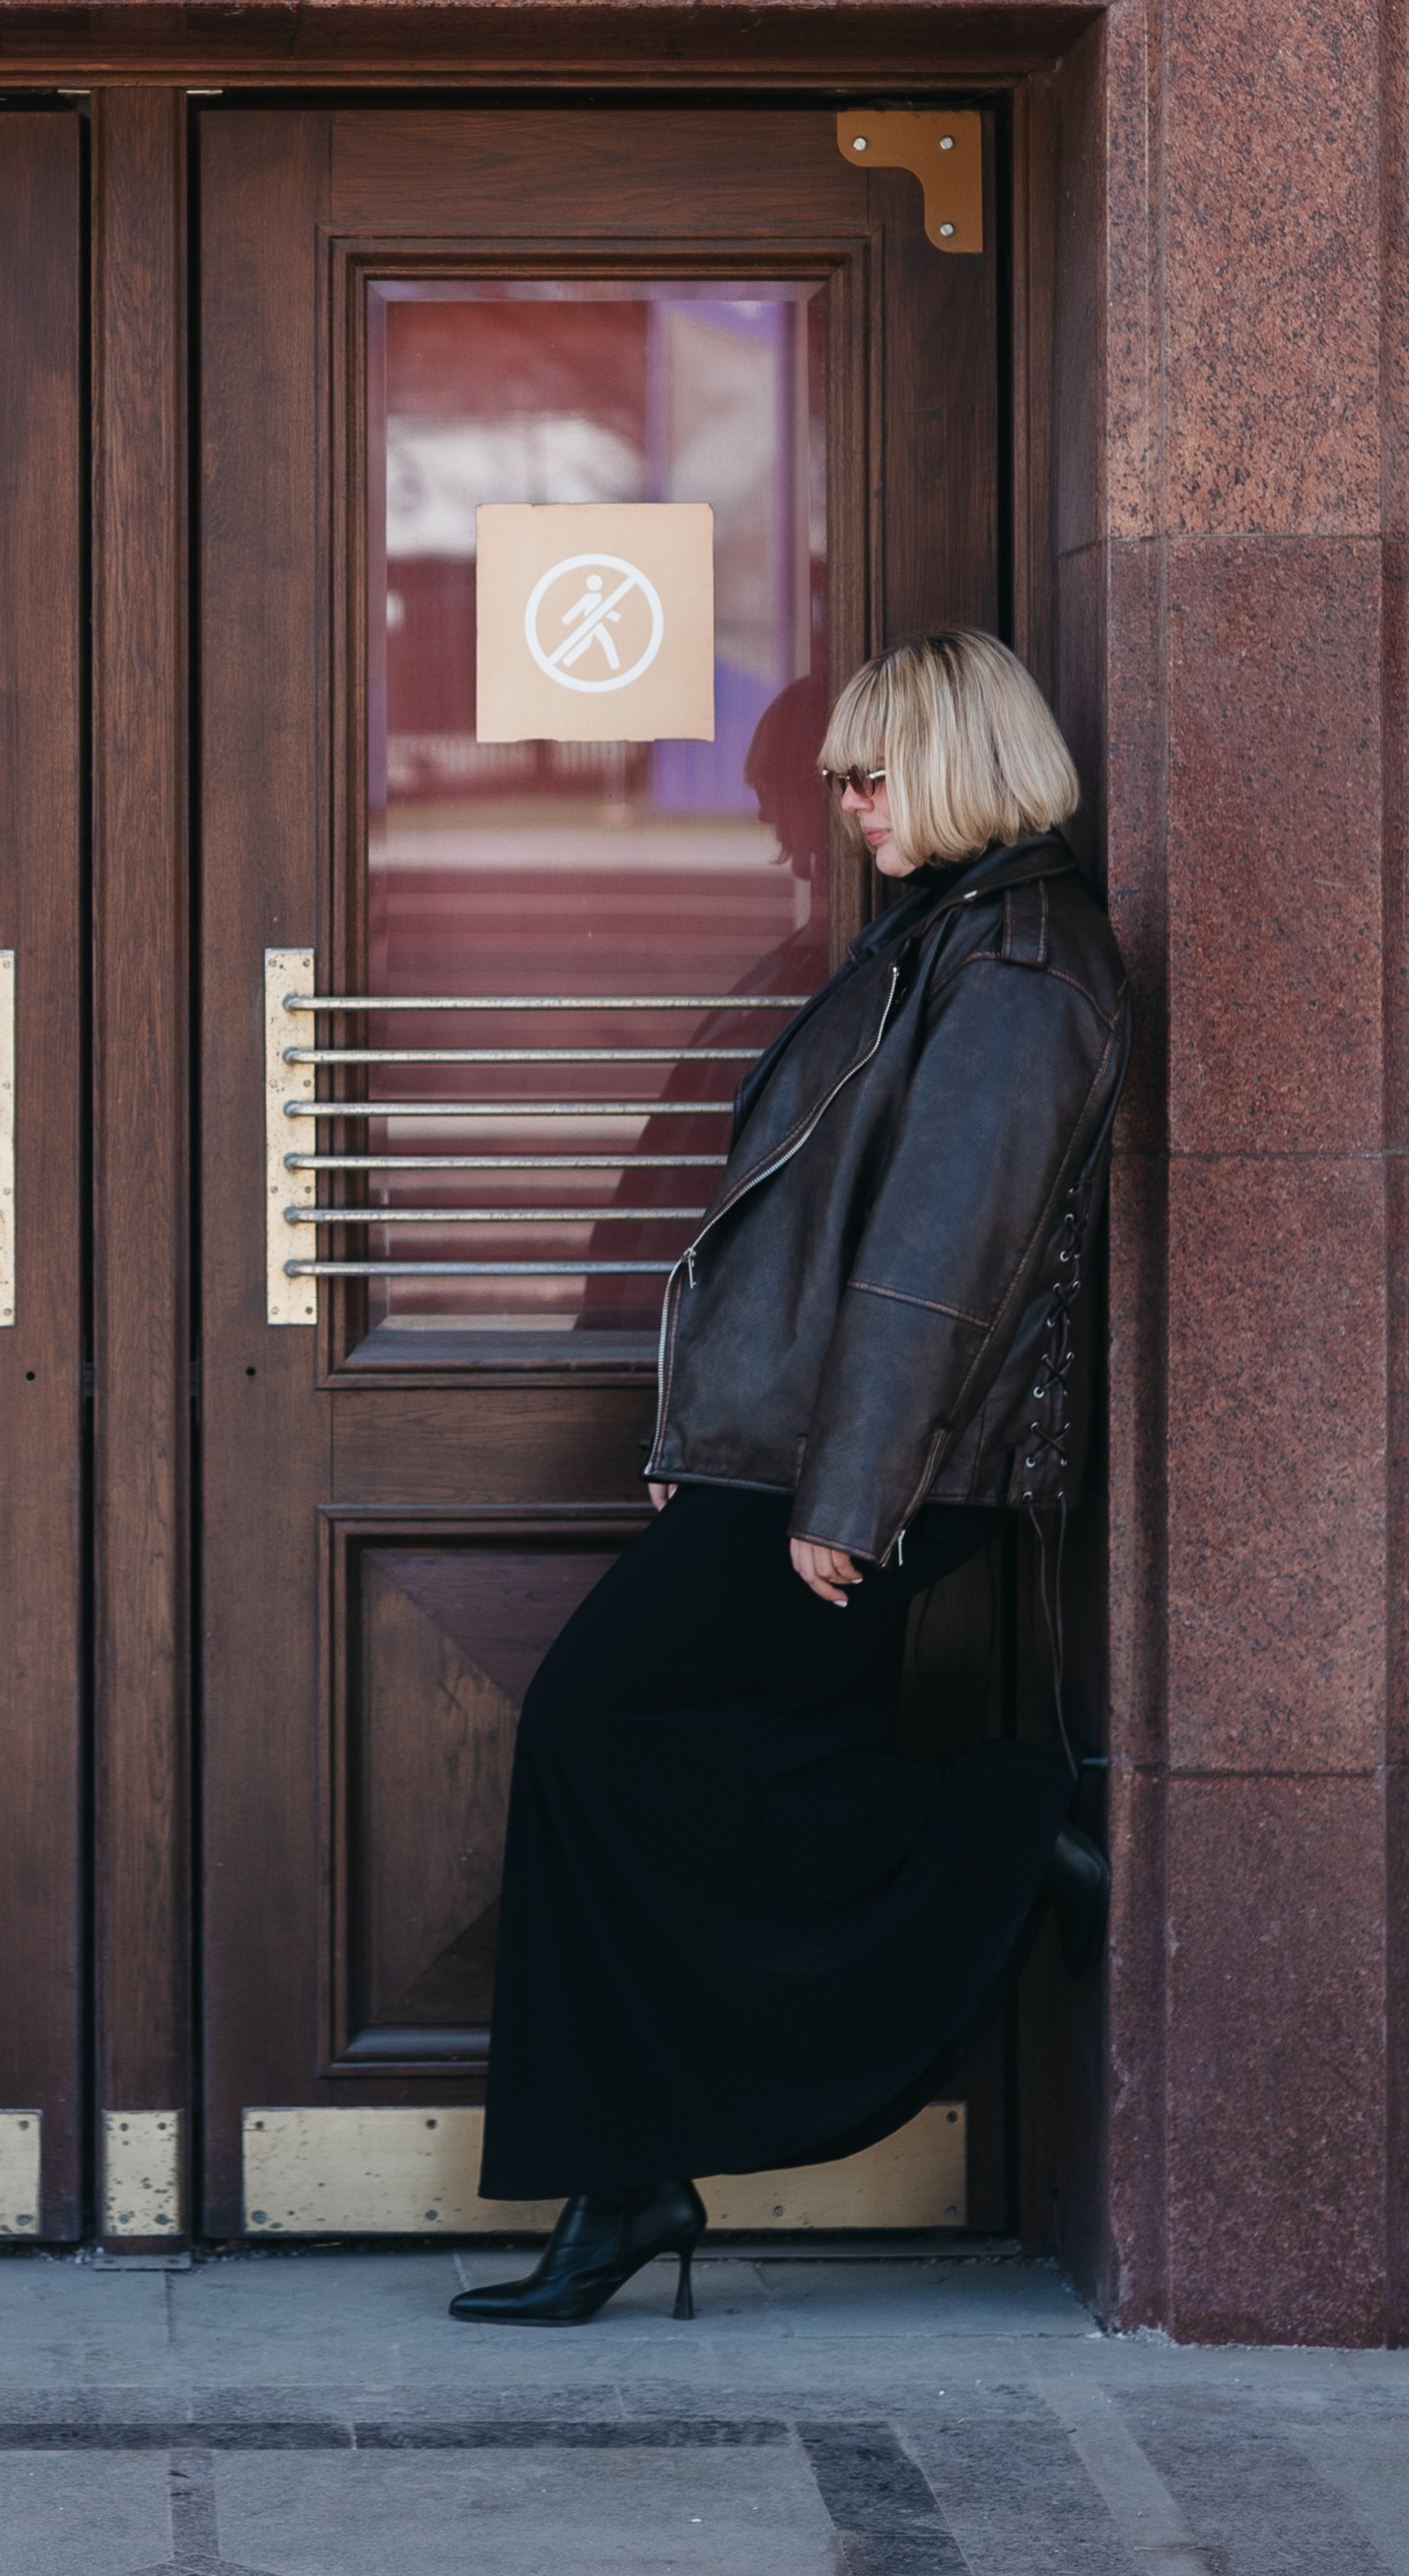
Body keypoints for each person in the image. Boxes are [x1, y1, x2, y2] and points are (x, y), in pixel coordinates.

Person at [455, 630, 1128, 2328]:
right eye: (832, 777)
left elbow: (934, 1261)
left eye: (869, 772)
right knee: (714, 1759)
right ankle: (629, 2182)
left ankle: (1004, 1824)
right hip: (808, 1456)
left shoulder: (1025, 964)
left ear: (965, 761)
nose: (837, 807)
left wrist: (847, 1489)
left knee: (595, 1729)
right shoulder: (947, 938)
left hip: (868, 1471)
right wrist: (726, 1445)